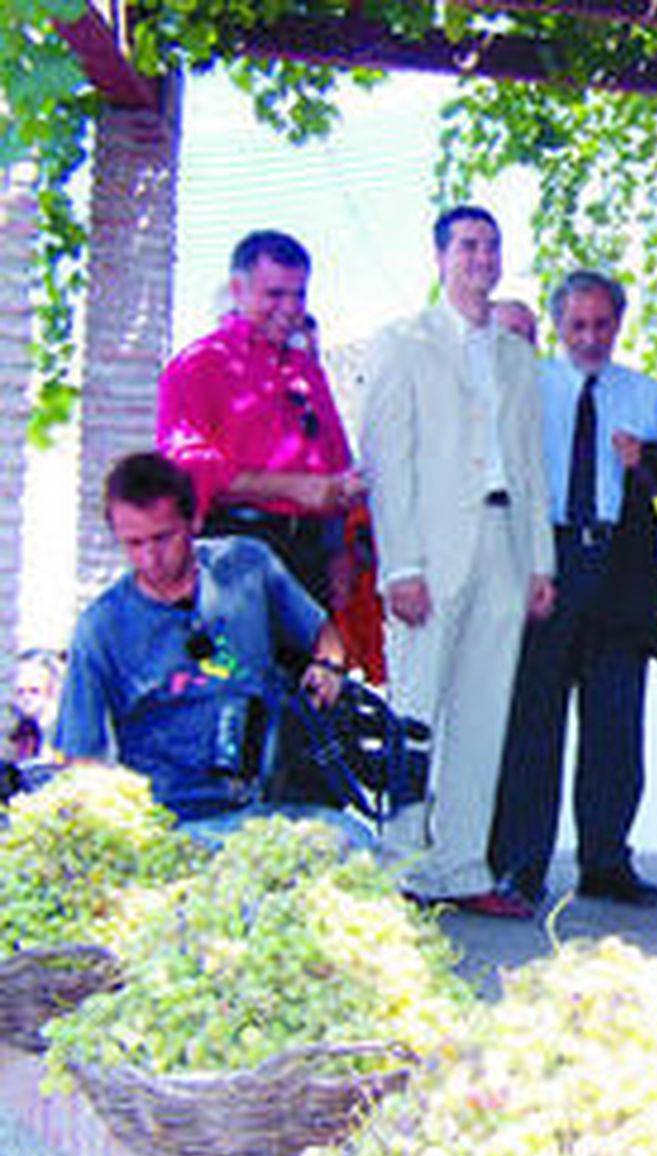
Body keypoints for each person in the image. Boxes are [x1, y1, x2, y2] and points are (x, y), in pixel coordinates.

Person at [361, 205, 557, 917]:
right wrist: (399, 566)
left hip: (505, 540)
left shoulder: (514, 353)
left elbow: (533, 462)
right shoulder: (402, 342)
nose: (482, 257)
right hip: (431, 550)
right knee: (414, 712)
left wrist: (542, 561)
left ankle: (463, 865)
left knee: (484, 711)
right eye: (469, 245)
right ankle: (399, 866)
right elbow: (388, 461)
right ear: (440, 256)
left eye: (492, 246)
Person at [492, 270, 657, 907]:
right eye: (578, 325)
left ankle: (606, 861)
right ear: (559, 326)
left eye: (602, 324)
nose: (591, 337)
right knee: (534, 722)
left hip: (619, 565)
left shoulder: (646, 395)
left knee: (615, 725)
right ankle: (521, 862)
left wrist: (645, 460)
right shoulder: (533, 387)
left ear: (619, 323)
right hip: (547, 560)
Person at [53, 452, 348, 822]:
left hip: (268, 800)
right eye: (134, 543)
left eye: (163, 538)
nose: (150, 559)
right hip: (167, 818)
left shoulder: (247, 565)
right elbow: (81, 756)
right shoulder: (101, 626)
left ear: (195, 521)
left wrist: (327, 668)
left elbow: (323, 634)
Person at [157, 231, 364, 608]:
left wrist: (341, 550)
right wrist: (290, 488)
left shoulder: (306, 370)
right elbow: (186, 474)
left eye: (298, 295)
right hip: (235, 554)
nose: (289, 308)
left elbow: (338, 463)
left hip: (310, 558)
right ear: (237, 290)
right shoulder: (200, 364)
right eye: (274, 295)